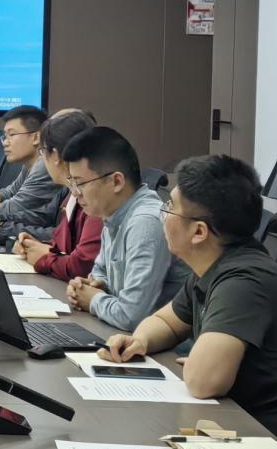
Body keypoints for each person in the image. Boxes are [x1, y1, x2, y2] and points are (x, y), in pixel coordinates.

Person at [100, 155, 277, 449]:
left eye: (170, 207)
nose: (163, 215)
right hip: (242, 425)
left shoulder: (243, 281)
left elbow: (203, 383)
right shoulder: (215, 264)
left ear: (199, 232)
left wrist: (201, 365)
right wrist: (140, 341)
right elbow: (167, 322)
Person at [60, 126, 187, 331]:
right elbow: (100, 272)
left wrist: (92, 299)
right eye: (71, 183)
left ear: (116, 181)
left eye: (80, 183)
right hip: (124, 335)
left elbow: (132, 316)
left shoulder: (145, 222)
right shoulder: (114, 212)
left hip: (163, 346)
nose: (75, 193)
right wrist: (94, 286)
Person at [12, 109, 104, 281]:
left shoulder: (94, 197)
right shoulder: (72, 194)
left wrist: (43, 258)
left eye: (42, 152)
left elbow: (82, 266)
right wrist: (36, 246)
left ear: (55, 155)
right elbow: (63, 247)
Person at [0, 105, 58, 239]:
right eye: (5, 137)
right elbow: (11, 192)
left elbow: (14, 208)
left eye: (12, 135)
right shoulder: (31, 163)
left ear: (36, 137)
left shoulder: (45, 165)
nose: (5, 143)